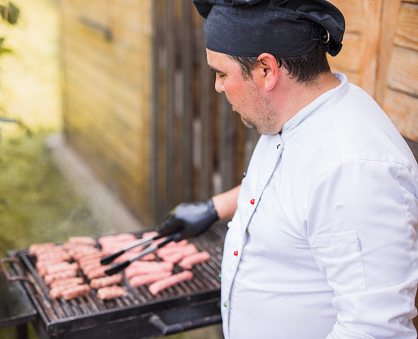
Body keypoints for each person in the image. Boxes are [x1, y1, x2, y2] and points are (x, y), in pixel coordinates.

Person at [157, 0, 418, 338]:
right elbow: (294, 190)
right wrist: (215, 208)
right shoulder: (291, 115)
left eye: (221, 74)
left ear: (266, 70)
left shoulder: (355, 170)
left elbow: (373, 330)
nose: (218, 87)